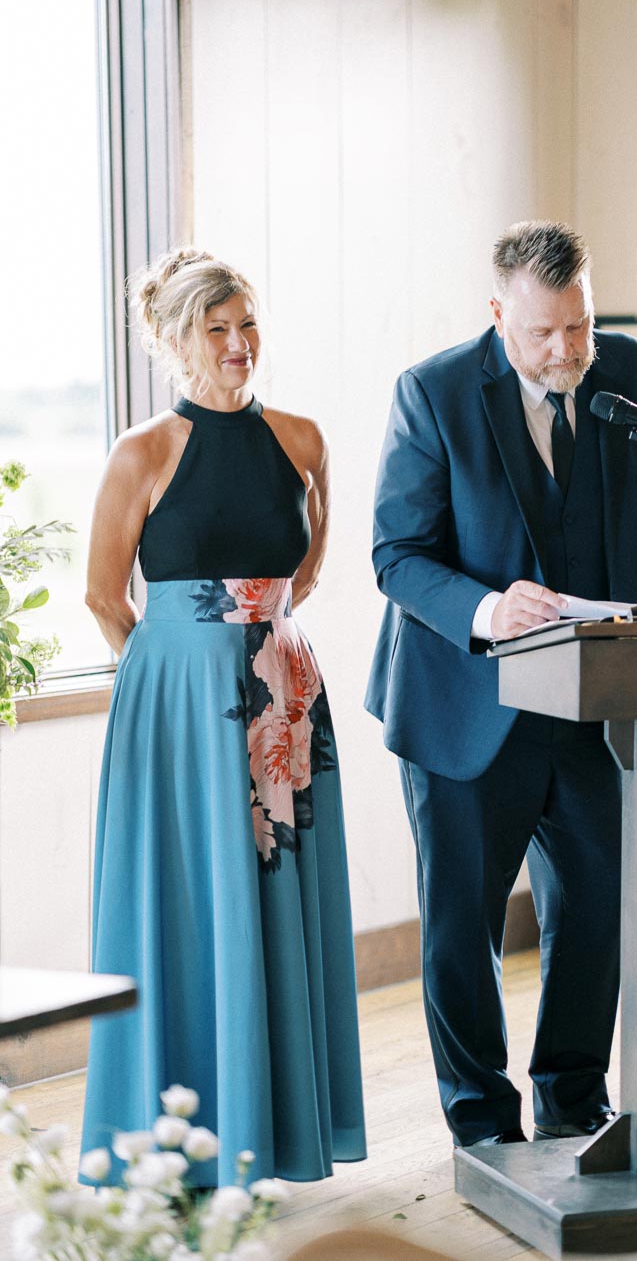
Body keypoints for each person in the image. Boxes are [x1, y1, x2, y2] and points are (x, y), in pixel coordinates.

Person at [365, 220, 637, 1148]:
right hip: (466, 704)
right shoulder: (433, 393)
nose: (564, 352)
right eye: (542, 332)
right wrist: (486, 608)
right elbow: (396, 555)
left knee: (597, 908)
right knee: (462, 931)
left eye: (579, 328)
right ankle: (480, 1122)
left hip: (604, 703)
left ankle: (572, 1098)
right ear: (498, 314)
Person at [80, 248, 366, 1185]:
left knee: (275, 907)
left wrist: (263, 647)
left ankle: (272, 1134)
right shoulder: (143, 452)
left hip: (282, 704)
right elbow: (103, 596)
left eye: (248, 325)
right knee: (189, 903)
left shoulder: (303, 440)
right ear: (176, 339)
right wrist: (175, 680)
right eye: (219, 329)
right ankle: (167, 1145)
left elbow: (307, 568)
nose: (241, 345)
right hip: (177, 715)